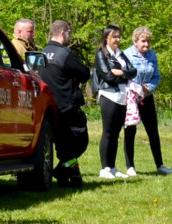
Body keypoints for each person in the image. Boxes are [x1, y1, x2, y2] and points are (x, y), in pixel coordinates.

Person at [39, 20, 92, 187]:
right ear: (63, 33)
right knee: (79, 141)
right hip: (67, 106)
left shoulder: (43, 53)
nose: (70, 36)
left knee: (63, 146)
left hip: (50, 106)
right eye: (69, 33)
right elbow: (84, 73)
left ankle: (66, 176)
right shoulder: (64, 54)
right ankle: (62, 171)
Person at [123, 26, 172, 176]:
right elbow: (122, 76)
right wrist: (135, 88)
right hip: (131, 98)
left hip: (146, 97)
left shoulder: (152, 55)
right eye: (143, 41)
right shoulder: (126, 55)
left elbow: (156, 76)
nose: (146, 45)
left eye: (148, 42)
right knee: (130, 131)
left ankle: (160, 165)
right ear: (135, 41)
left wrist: (148, 87)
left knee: (153, 132)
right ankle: (130, 166)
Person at [94, 25, 137, 179]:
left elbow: (134, 71)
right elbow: (108, 76)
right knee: (108, 132)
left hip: (122, 96)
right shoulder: (101, 54)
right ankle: (104, 168)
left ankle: (112, 167)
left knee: (116, 132)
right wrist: (125, 75)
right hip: (108, 95)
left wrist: (122, 73)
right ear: (107, 38)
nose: (118, 40)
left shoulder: (120, 54)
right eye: (114, 37)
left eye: (119, 36)